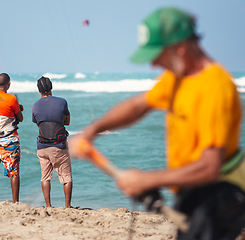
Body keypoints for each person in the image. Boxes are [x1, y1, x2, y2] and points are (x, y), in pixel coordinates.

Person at [70, 7, 245, 239]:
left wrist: (146, 180)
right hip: (190, 192)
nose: (153, 64)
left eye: (158, 55)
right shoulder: (177, 79)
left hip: (219, 197)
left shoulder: (215, 87)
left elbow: (210, 167)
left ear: (180, 48)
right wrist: (92, 130)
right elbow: (137, 106)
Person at [32, 76, 73, 208]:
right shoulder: (62, 102)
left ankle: (48, 206)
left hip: (42, 146)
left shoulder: (35, 105)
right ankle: (67, 206)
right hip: (59, 146)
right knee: (66, 177)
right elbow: (67, 121)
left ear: (39, 90)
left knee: (45, 177)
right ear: (51, 88)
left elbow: (39, 125)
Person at [0, 73, 23, 203]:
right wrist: (19, 110)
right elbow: (20, 118)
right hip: (10, 142)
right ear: (9, 84)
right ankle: (15, 202)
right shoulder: (12, 99)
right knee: (14, 172)